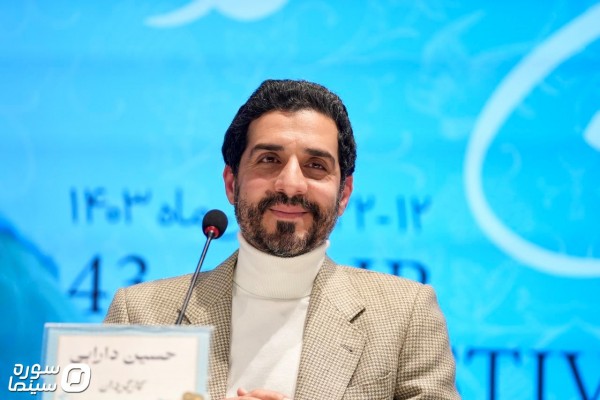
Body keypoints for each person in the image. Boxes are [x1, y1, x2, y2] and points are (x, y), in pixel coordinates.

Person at [105, 79, 460, 400]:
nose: (290, 185)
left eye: (316, 166)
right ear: (231, 183)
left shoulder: (404, 315)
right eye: (269, 160)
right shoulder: (142, 314)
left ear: (344, 194)